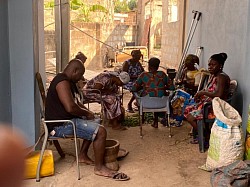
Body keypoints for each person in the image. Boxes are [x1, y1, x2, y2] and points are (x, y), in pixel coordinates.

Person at [45, 58, 130, 180]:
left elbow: (77, 103)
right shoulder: (62, 82)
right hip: (60, 126)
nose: (80, 78)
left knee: (96, 121)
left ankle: (83, 154)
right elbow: (70, 107)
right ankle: (99, 168)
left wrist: (88, 113)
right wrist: (86, 113)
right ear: (74, 71)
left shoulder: (69, 82)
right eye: (80, 75)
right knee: (101, 132)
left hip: (67, 121)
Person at [184, 52, 230, 144]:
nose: (210, 67)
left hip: (215, 107)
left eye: (213, 65)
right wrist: (199, 95)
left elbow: (218, 94)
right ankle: (202, 134)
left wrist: (203, 92)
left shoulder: (221, 77)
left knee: (190, 117)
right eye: (209, 64)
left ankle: (205, 136)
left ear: (220, 66)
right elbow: (208, 90)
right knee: (187, 107)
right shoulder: (214, 75)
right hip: (208, 104)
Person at [131, 57, 174, 128]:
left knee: (144, 95)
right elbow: (172, 88)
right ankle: (155, 121)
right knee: (157, 95)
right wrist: (162, 87)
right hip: (162, 104)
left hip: (146, 104)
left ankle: (142, 118)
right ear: (158, 66)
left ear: (149, 66)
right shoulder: (163, 74)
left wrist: (144, 87)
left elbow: (133, 88)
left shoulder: (143, 75)